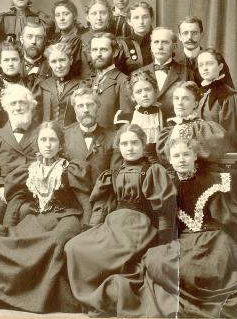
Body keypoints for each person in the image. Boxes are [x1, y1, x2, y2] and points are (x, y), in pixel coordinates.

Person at [112, 138, 237, 318]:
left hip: (212, 236)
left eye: (186, 154)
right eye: (176, 156)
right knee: (156, 260)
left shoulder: (214, 180)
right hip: (183, 239)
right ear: (169, 160)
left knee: (216, 260)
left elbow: (226, 215)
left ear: (195, 156)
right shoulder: (165, 184)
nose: (181, 159)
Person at [64, 124, 177, 317]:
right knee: (74, 246)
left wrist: (163, 240)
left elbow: (165, 210)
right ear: (119, 146)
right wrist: (91, 228)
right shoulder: (113, 173)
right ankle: (88, 297)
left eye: (134, 143)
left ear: (143, 145)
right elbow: (102, 204)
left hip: (139, 226)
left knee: (110, 252)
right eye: (124, 144)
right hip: (113, 223)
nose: (130, 147)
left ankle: (107, 296)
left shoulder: (153, 171)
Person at [0, 121, 91, 313]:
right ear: (37, 143)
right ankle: (12, 296)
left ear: (60, 144)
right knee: (15, 242)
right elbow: (16, 201)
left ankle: (40, 300)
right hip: (39, 216)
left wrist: (86, 229)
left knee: (55, 241)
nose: (48, 144)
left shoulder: (69, 169)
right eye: (43, 140)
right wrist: (9, 228)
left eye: (52, 140)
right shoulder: (29, 171)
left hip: (67, 217)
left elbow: (85, 202)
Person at [0, 84, 39, 224]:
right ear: (6, 107)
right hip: (5, 189)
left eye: (22, 102)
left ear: (30, 106)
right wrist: (0, 189)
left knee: (25, 210)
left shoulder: (41, 133)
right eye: (13, 103)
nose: (18, 107)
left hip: (31, 190)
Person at [156, 81, 230, 168]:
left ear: (195, 103)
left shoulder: (205, 129)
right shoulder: (167, 132)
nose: (179, 103)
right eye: (176, 98)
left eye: (185, 98)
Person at [64, 87, 122, 189]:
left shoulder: (113, 137)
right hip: (74, 200)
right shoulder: (65, 136)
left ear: (98, 107)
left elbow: (115, 176)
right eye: (80, 106)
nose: (86, 110)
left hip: (103, 199)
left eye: (90, 105)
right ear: (74, 109)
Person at [138, 27, 192, 119]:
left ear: (174, 47)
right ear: (151, 46)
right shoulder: (139, 73)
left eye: (165, 42)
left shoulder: (187, 73)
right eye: (156, 42)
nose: (160, 47)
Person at [114, 68, 164, 163]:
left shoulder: (166, 116)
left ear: (155, 91)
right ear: (133, 96)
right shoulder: (124, 118)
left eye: (148, 89)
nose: (144, 94)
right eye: (138, 92)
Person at [86, 32, 133, 127]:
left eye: (103, 49)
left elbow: (125, 124)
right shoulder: (90, 80)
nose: (98, 54)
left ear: (115, 52)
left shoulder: (123, 81)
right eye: (94, 50)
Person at [174, 16, 234, 88]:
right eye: (185, 33)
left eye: (194, 33)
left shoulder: (214, 58)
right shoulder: (173, 61)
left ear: (201, 35)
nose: (190, 37)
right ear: (179, 36)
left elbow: (229, 92)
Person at [35, 42, 82, 129]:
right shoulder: (43, 86)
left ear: (71, 60)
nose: (58, 66)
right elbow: (36, 116)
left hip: (72, 137)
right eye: (53, 61)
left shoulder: (81, 85)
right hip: (47, 137)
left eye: (62, 60)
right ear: (49, 63)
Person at [197, 49, 237, 149]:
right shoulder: (203, 93)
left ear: (220, 66)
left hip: (221, 157)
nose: (204, 68)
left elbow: (230, 136)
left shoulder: (227, 95)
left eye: (209, 63)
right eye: (201, 65)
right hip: (202, 154)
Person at [49, 0, 85, 77]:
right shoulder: (53, 40)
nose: (61, 18)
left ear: (74, 16)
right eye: (58, 15)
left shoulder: (84, 37)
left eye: (65, 14)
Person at [116, 1, 154, 74]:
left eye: (145, 17)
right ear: (129, 21)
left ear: (151, 19)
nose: (141, 22)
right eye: (136, 18)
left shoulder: (161, 41)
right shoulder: (123, 45)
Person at [80, 0, 113, 78]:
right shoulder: (81, 40)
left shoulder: (115, 39)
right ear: (87, 17)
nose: (99, 18)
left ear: (109, 15)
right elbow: (83, 72)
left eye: (103, 13)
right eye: (94, 13)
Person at [19, 22, 52, 90]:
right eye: (29, 36)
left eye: (39, 37)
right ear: (21, 39)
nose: (33, 41)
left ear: (45, 40)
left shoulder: (52, 66)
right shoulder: (12, 65)